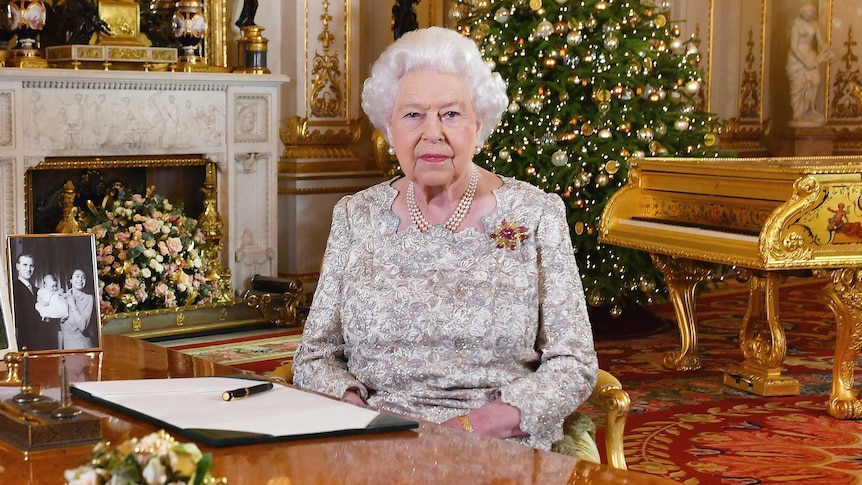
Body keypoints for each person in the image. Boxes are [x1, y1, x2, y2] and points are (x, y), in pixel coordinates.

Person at [292, 27, 598, 453]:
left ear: (478, 124)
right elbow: (314, 357)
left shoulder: (536, 213)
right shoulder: (354, 216)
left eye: (451, 114)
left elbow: (574, 364)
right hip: (378, 439)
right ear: (389, 127)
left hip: (497, 444)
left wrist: (471, 428)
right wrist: (355, 412)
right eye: (413, 114)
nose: (432, 132)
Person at [786, 2, 832, 125]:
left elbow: (820, 42)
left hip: (810, 56)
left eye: (811, 12)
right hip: (798, 59)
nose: (809, 14)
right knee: (798, 87)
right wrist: (805, 62)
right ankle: (798, 113)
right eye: (807, 12)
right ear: (802, 13)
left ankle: (810, 109)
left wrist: (826, 48)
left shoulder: (815, 25)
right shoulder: (796, 27)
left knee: (815, 81)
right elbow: (793, 47)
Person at [12, 253, 58, 351]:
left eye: (31, 266)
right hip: (25, 343)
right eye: (25, 265)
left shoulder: (38, 291)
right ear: (17, 266)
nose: (28, 269)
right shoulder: (13, 289)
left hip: (42, 342)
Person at [60, 269, 96, 349]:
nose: (80, 279)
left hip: (82, 346)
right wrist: (60, 352)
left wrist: (73, 305)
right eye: (77, 276)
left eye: (83, 277)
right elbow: (59, 329)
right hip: (66, 347)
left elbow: (82, 326)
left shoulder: (89, 298)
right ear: (71, 280)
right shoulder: (62, 298)